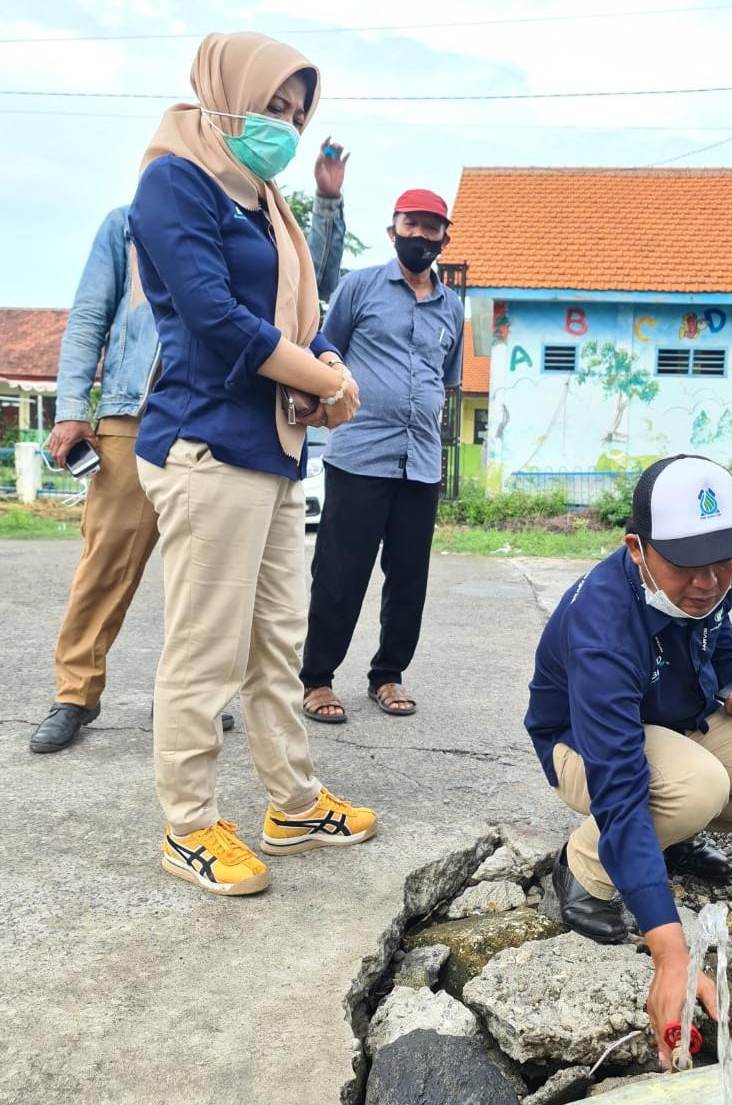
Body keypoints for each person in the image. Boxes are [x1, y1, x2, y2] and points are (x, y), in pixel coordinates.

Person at [129, 30, 376, 895]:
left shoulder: (264, 200)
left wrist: (322, 378)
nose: (285, 126)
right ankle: (190, 825)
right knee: (204, 649)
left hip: (272, 447)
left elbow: (290, 312)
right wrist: (321, 375)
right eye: (274, 105)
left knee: (276, 641)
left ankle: (292, 802)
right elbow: (211, 316)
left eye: (297, 114)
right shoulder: (174, 181)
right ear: (227, 88)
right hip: (205, 445)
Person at [524, 456, 732, 1068]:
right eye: (686, 565)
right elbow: (618, 785)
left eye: (723, 561)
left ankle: (669, 833)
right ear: (637, 549)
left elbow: (720, 640)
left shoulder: (726, 576)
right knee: (696, 787)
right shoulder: (602, 626)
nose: (708, 582)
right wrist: (671, 952)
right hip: (581, 747)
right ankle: (586, 866)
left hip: (682, 723)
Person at [29, 149, 349, 756]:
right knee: (107, 565)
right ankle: (75, 691)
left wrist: (327, 203)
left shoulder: (249, 223)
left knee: (206, 581)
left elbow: (311, 287)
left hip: (215, 420)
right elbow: (90, 317)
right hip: (134, 414)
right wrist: (72, 407)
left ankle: (182, 700)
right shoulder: (128, 222)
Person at [299, 189, 464, 723]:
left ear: (445, 236)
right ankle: (318, 680)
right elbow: (326, 349)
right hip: (358, 456)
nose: (420, 236)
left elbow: (448, 378)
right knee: (340, 573)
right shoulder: (360, 287)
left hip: (419, 463)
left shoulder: (453, 308)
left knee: (409, 576)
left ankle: (388, 675)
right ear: (393, 230)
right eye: (410, 225)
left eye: (431, 228)